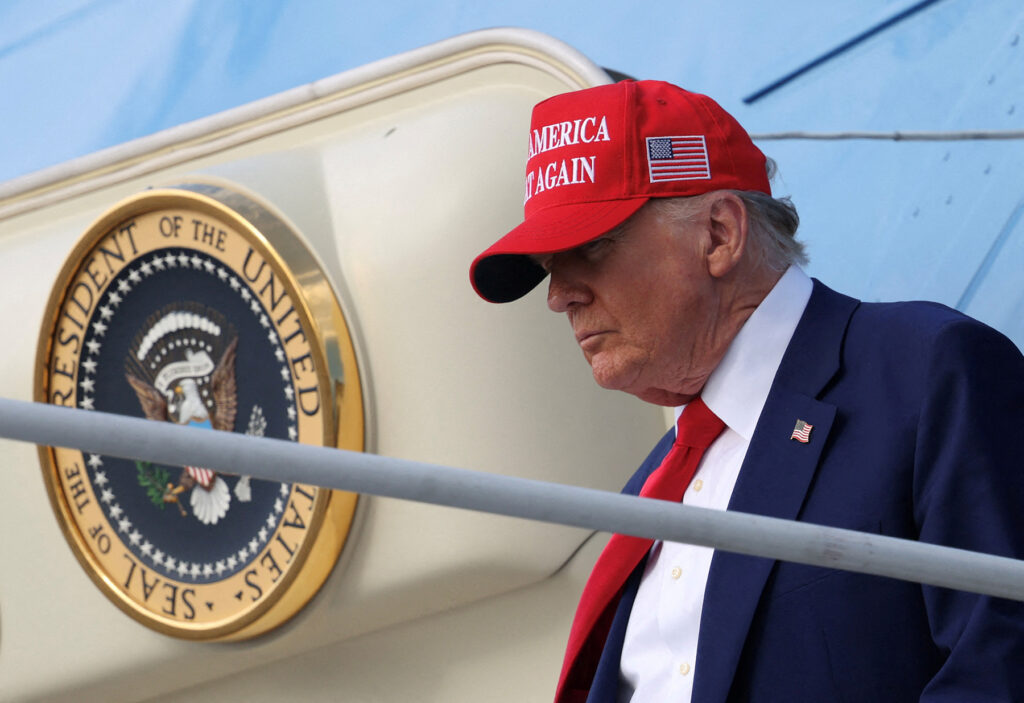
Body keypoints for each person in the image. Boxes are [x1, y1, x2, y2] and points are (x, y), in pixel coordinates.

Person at [469, 80, 1024, 702]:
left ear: (719, 235)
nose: (558, 295)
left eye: (591, 247)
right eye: (549, 267)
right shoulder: (653, 484)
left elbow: (1002, 664)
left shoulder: (926, 370)